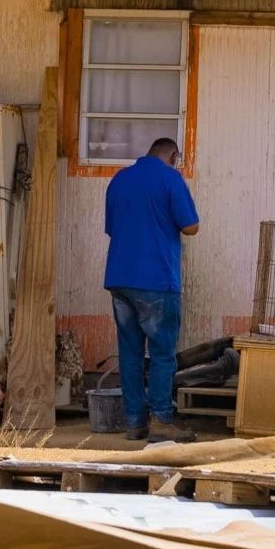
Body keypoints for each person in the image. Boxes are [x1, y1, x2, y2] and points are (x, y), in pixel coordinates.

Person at [103, 136, 200, 443]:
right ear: (173, 155)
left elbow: (111, 228)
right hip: (156, 281)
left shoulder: (119, 180)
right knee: (161, 354)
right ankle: (160, 420)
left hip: (119, 279)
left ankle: (135, 423)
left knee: (130, 353)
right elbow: (191, 226)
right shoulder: (170, 178)